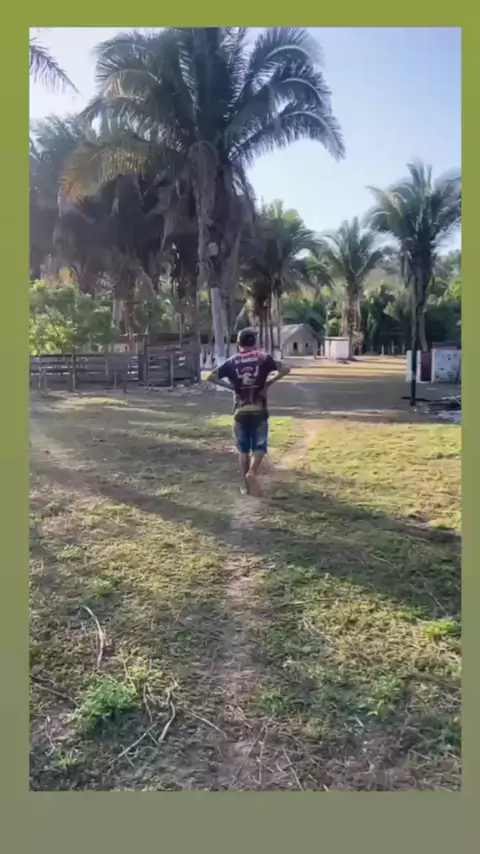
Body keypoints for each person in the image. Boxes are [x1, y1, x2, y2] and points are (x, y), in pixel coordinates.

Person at [205, 328, 291, 496]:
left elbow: (211, 376)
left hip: (240, 411)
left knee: (243, 450)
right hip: (259, 409)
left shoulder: (231, 361)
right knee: (259, 447)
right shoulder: (263, 358)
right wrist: (268, 383)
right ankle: (252, 472)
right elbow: (285, 369)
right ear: (254, 343)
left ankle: (247, 486)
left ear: (238, 344)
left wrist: (231, 387)